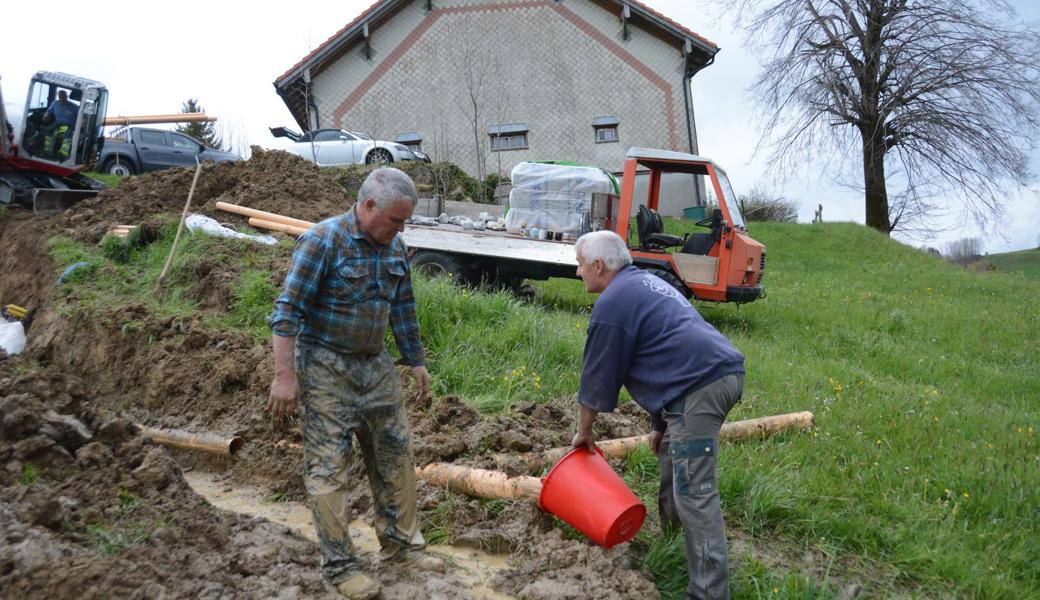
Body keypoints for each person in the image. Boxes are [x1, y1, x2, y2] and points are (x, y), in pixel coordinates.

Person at [267, 167, 437, 600]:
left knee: (395, 453)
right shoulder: (323, 241)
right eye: (396, 220)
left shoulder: (395, 246)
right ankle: (341, 566)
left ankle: (401, 546)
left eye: (405, 222)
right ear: (367, 206)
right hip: (325, 366)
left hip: (375, 365)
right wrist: (285, 377)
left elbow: (403, 307)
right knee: (329, 467)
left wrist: (415, 360)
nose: (400, 229)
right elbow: (287, 313)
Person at [570, 230, 745, 600]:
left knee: (695, 494)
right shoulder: (644, 284)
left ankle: (709, 593)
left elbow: (597, 378)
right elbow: (666, 351)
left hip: (703, 386)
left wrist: (584, 432)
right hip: (713, 375)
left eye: (581, 264)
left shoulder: (612, 304)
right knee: (671, 458)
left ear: (599, 266)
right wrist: (659, 425)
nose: (578, 272)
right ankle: (674, 544)